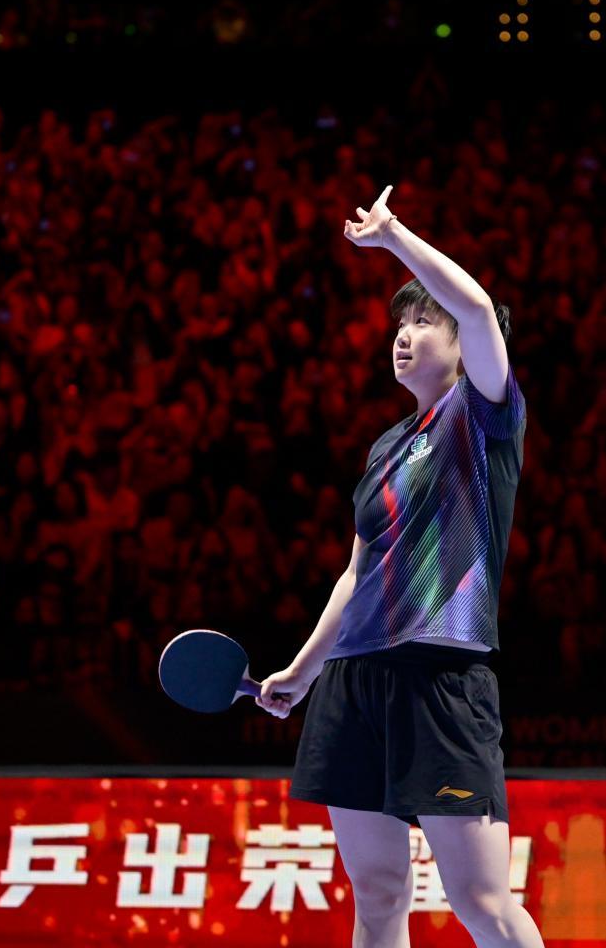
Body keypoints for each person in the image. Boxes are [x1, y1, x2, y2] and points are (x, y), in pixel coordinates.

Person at [256, 186, 544, 947]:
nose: (404, 336)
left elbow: (476, 309)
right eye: (399, 325)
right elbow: (356, 576)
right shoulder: (385, 448)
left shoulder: (481, 417)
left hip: (439, 677)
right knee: (379, 895)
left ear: (464, 346)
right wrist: (303, 671)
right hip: (355, 682)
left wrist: (392, 238)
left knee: (482, 901)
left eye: (423, 322)